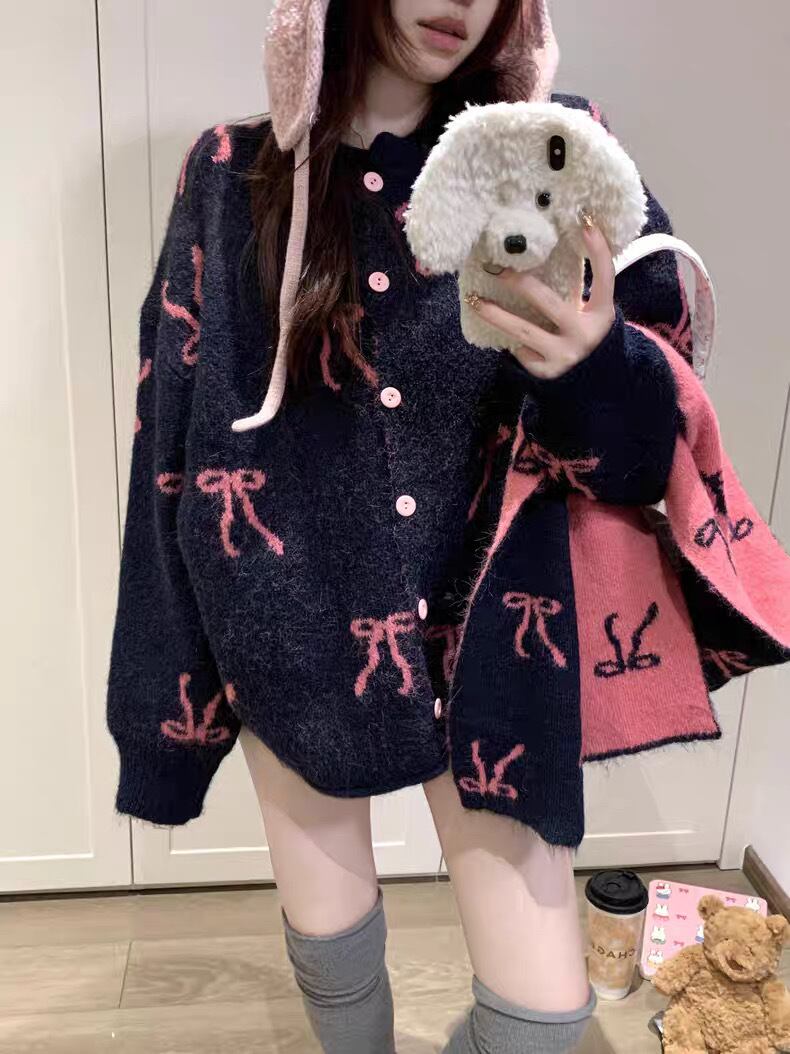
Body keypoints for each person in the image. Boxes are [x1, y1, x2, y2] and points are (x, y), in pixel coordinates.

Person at [105, 1, 744, 1051]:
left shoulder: (558, 151)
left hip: (498, 642)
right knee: (335, 953)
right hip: (290, 628)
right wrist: (161, 726)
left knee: (543, 1018)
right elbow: (168, 448)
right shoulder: (232, 177)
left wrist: (593, 368)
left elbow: (653, 454)